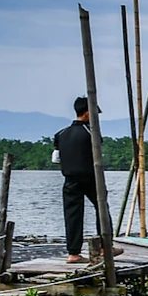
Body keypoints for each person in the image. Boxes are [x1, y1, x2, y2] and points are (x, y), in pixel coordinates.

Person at [54, 97, 109, 264]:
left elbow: (56, 159)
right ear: (87, 113)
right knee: (102, 209)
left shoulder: (61, 134)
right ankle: (104, 247)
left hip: (70, 178)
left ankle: (73, 253)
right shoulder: (90, 132)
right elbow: (97, 154)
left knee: (72, 215)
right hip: (90, 177)